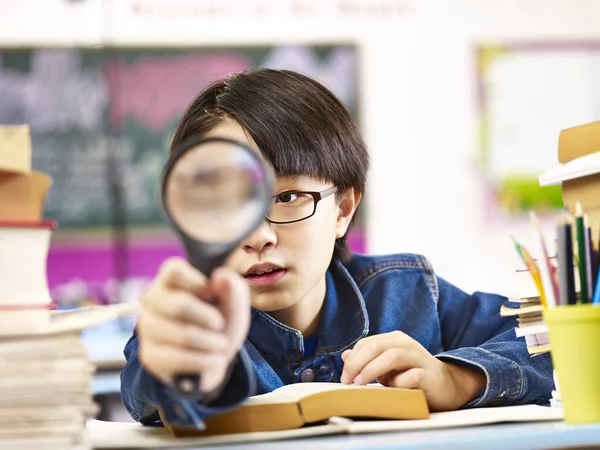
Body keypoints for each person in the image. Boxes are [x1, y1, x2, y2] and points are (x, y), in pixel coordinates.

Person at [120, 69, 553, 428]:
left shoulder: (407, 291)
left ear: (343, 209)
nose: (258, 236)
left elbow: (552, 338)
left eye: (288, 198)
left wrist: (455, 379)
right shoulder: (186, 323)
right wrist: (181, 370)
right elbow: (149, 385)